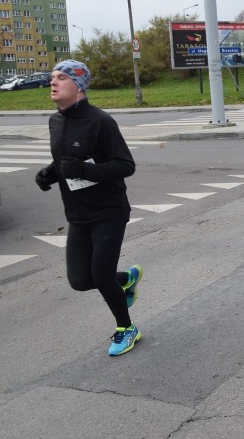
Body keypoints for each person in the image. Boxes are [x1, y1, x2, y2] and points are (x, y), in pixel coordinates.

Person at [34, 60, 142, 356]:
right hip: (78, 215)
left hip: (109, 211)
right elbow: (64, 161)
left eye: (60, 78)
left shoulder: (101, 121)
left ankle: (127, 328)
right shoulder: (55, 121)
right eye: (52, 77)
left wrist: (84, 170)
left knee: (100, 273)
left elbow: (125, 165)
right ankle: (126, 280)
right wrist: (49, 174)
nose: (52, 82)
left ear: (79, 85)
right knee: (80, 281)